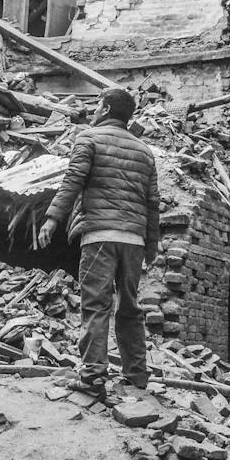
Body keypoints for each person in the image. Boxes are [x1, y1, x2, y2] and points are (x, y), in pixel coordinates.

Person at [37, 87, 160, 398]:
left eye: (96, 106)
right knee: (130, 307)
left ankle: (93, 374)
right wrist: (152, 246)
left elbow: (73, 180)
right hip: (133, 241)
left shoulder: (89, 139)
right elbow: (153, 202)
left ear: (105, 108)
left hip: (100, 238)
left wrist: (52, 218)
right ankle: (137, 375)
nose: (92, 112)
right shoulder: (145, 152)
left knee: (96, 305)